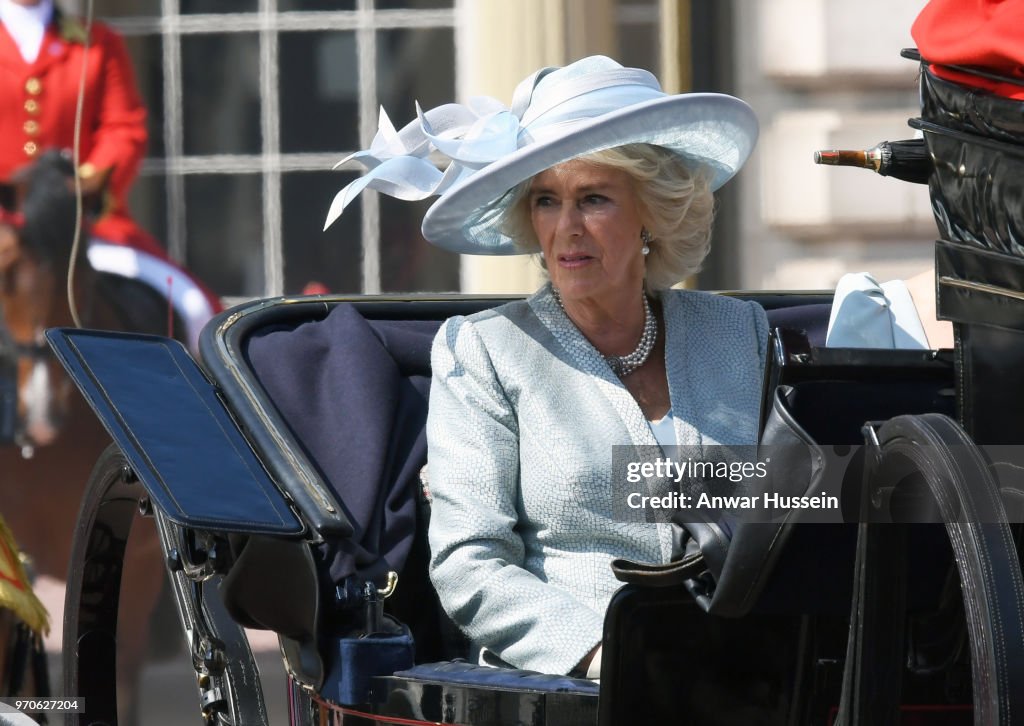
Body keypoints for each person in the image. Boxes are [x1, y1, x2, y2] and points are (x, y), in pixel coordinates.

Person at [325, 55, 765, 677]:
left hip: (749, 676)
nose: (567, 229)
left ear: (651, 211)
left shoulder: (735, 331)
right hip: (572, 685)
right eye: (546, 201)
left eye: (593, 198)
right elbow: (469, 562)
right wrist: (604, 655)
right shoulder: (484, 352)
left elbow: (789, 507)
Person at [0, 0, 219, 348]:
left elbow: (124, 127)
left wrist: (81, 188)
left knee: (195, 310)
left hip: (83, 224)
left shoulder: (96, 42)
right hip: (5, 224)